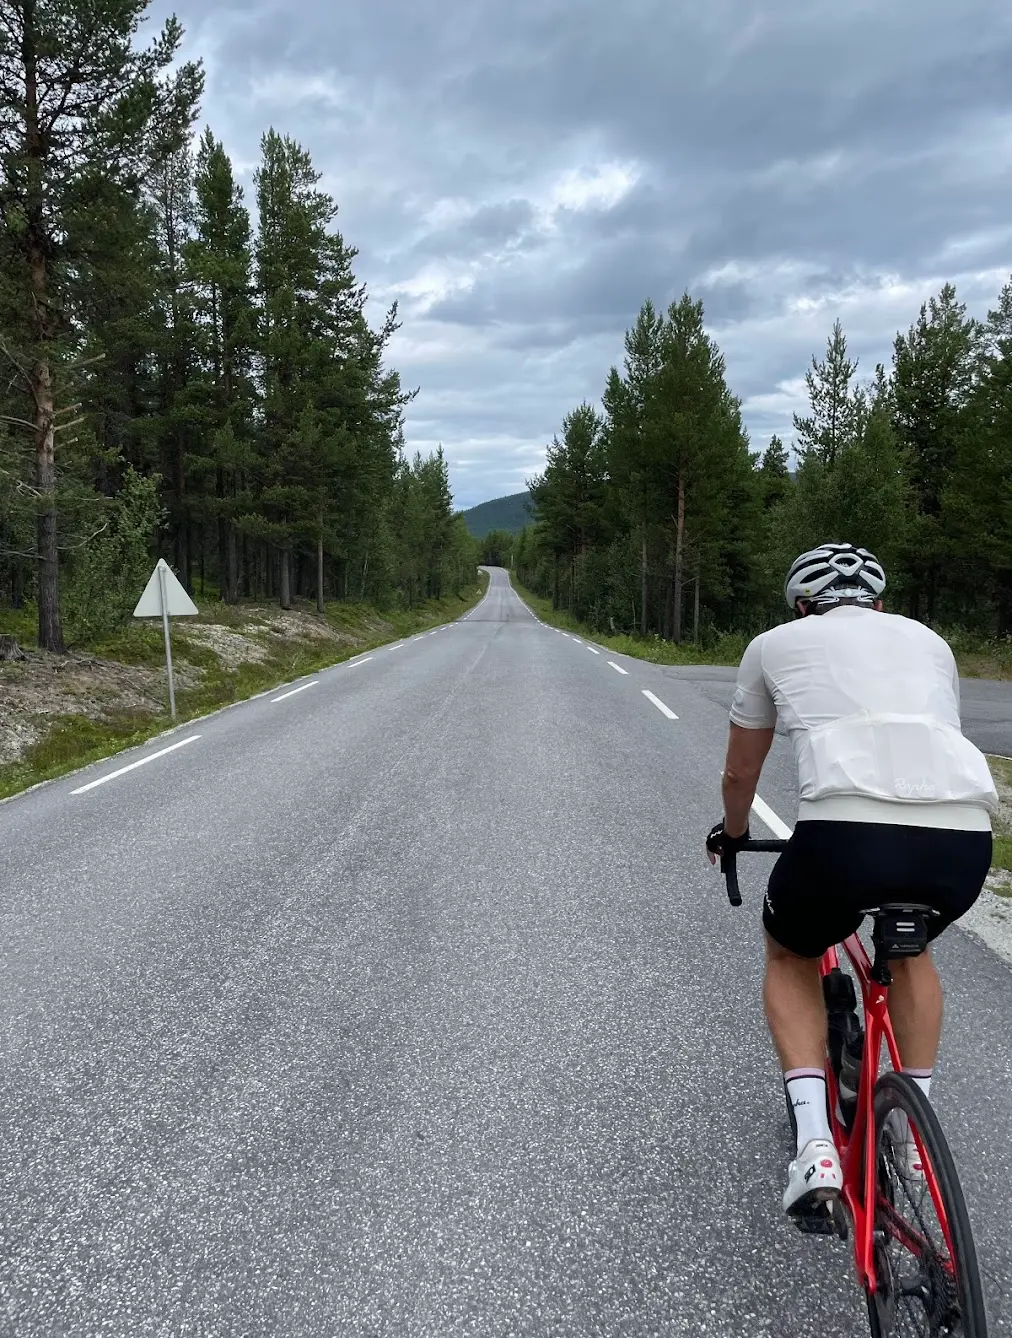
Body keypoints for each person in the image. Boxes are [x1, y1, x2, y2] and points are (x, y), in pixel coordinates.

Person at [705, 542, 997, 1225]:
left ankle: (815, 1146)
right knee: (911, 948)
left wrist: (736, 831)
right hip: (961, 840)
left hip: (844, 837)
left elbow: (740, 775)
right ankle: (912, 1131)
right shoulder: (930, 644)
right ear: (880, 605)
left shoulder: (775, 643)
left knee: (790, 953)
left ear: (801, 606)